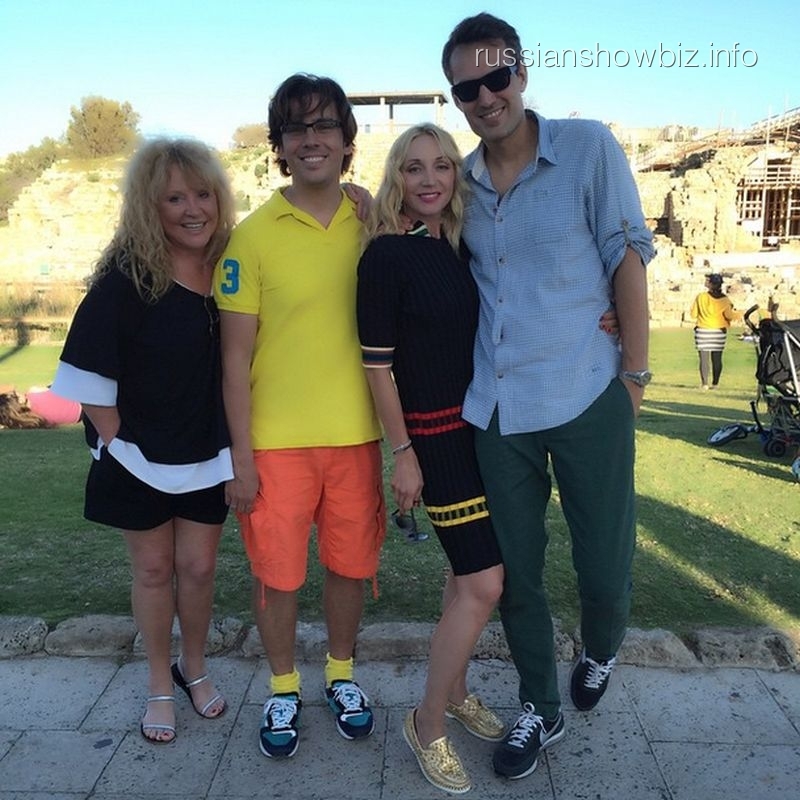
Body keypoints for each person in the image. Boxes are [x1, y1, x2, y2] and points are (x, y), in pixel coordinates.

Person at [441, 13, 655, 781]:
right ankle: (540, 705)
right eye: (466, 88)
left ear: (522, 75)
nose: (484, 97)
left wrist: (634, 377)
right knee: (516, 574)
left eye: (495, 78)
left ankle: (601, 648)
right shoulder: (459, 181)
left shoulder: (589, 147)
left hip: (588, 389)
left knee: (604, 561)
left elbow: (627, 256)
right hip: (498, 408)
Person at [214, 74, 384, 760]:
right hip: (275, 445)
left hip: (357, 436)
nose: (311, 139)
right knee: (277, 575)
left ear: (346, 139)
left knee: (349, 566)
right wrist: (241, 459)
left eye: (324, 125)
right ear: (280, 146)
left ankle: (341, 675)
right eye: (296, 128)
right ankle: (283, 686)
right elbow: (233, 361)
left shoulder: (373, 223)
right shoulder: (251, 238)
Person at [51, 138, 235, 744]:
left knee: (198, 568)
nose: (192, 209)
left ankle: (193, 668)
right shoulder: (126, 281)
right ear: (148, 207)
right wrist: (121, 447)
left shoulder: (231, 268)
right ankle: (159, 683)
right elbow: (87, 379)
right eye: (174, 198)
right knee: (155, 570)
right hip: (139, 457)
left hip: (208, 453)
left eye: (202, 194)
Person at [357, 123, 505, 794]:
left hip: (479, 429)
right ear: (397, 176)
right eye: (413, 167)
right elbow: (377, 367)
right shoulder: (386, 255)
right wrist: (404, 453)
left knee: (460, 577)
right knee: (485, 583)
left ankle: (456, 691)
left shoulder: (457, 243)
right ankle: (427, 723)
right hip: (434, 438)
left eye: (442, 165)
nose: (429, 179)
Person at [690, 273, 735, 389]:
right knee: (717, 358)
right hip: (718, 331)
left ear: (710, 284)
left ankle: (705, 384)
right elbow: (729, 316)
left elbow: (693, 314)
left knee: (704, 359)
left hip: (703, 330)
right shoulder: (725, 299)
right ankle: (715, 384)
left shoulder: (701, 297)